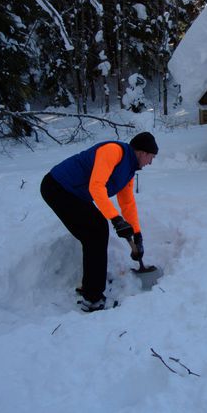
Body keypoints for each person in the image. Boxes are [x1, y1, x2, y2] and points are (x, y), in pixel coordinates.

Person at [40, 132, 158, 312]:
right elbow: (96, 186)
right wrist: (116, 220)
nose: (151, 162)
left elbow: (127, 203)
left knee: (94, 233)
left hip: (74, 193)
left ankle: (91, 286)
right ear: (142, 152)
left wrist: (137, 234)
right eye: (151, 157)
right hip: (58, 187)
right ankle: (92, 298)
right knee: (96, 231)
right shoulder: (113, 151)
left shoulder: (129, 170)